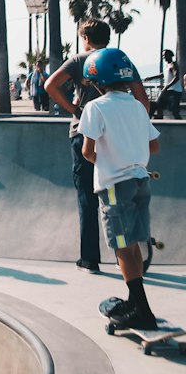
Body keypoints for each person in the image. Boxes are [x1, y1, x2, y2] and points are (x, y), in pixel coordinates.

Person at [44, 20, 149, 274]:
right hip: (117, 137)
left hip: (84, 133)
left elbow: (50, 86)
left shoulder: (79, 60)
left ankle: (89, 258)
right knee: (121, 194)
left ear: (87, 38)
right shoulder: (120, 59)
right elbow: (143, 100)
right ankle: (125, 258)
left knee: (87, 197)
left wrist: (74, 109)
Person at [78, 47, 160, 330]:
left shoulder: (96, 107)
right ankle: (134, 301)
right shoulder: (138, 106)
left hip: (114, 185)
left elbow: (88, 152)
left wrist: (110, 160)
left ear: (97, 81)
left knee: (121, 248)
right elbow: (154, 145)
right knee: (134, 244)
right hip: (141, 181)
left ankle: (143, 310)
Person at [155, 49, 182, 120]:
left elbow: (176, 77)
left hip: (175, 91)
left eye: (165, 55)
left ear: (170, 55)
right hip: (169, 90)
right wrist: (151, 78)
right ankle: (159, 118)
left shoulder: (173, 65)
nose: (163, 57)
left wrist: (167, 86)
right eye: (163, 55)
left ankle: (181, 125)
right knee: (159, 104)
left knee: (174, 111)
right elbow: (163, 75)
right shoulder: (167, 66)